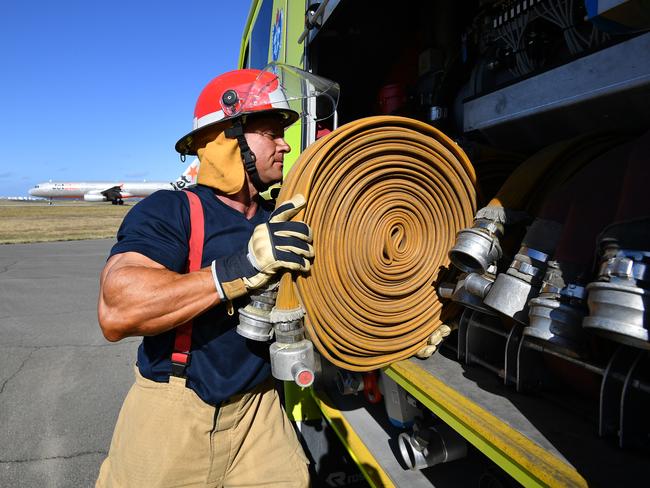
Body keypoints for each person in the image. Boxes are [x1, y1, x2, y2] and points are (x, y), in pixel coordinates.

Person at [95, 68, 314, 487]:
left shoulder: (280, 220)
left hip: (261, 410)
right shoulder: (172, 210)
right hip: (174, 410)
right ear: (230, 139)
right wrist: (239, 269)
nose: (286, 144)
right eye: (271, 132)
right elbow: (117, 308)